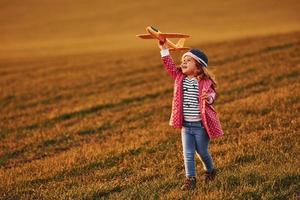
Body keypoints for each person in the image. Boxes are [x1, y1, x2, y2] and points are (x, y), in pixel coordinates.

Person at [158, 41, 224, 191]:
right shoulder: (179, 77)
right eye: (183, 61)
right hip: (186, 126)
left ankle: (211, 170)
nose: (183, 63)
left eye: (188, 60)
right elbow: (169, 65)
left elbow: (213, 93)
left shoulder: (205, 81)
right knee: (187, 153)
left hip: (201, 126)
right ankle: (191, 179)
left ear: (198, 66)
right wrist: (163, 49)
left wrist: (210, 98)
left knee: (202, 152)